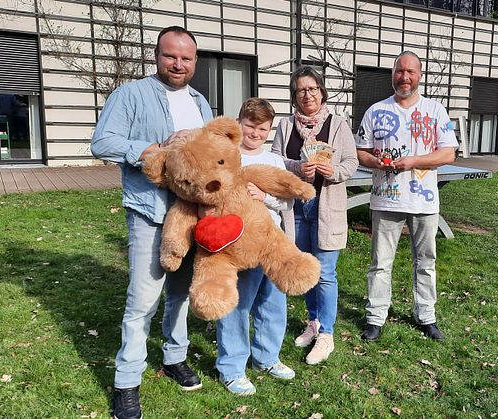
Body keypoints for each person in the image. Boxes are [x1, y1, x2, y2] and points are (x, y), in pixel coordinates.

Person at [91, 26, 213, 419]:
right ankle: (127, 382)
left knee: (179, 294)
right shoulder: (130, 94)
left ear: (195, 61)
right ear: (157, 56)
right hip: (149, 210)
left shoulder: (199, 101)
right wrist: (148, 150)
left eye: (186, 58)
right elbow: (102, 141)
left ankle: (174, 357)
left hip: (192, 214)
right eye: (170, 56)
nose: (178, 64)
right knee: (143, 300)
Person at [355, 51, 458, 342]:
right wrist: (375, 162)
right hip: (386, 198)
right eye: (400, 71)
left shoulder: (435, 110)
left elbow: (449, 153)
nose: (405, 77)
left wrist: (412, 162)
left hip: (424, 201)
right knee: (380, 262)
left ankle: (426, 315)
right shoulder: (375, 110)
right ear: (393, 74)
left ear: (420, 75)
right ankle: (376, 317)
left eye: (411, 72)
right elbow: (361, 150)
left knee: (426, 261)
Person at [272, 65, 358, 365]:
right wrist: (297, 167)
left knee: (326, 273)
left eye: (312, 89)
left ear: (321, 92)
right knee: (306, 269)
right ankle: (313, 323)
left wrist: (331, 171)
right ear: (294, 96)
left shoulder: (337, 124)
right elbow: (275, 162)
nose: (307, 95)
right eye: (301, 91)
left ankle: (327, 335)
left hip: (326, 207)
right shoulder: (285, 126)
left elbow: (351, 162)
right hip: (296, 208)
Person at [214, 98, 296, 395]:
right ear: (239, 124)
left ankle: (267, 358)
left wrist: (264, 197)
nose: (255, 133)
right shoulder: (228, 157)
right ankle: (232, 368)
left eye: (262, 128)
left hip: (271, 243)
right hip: (238, 244)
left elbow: (287, 201)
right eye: (250, 126)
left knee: (273, 303)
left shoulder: (274, 160)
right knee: (238, 305)